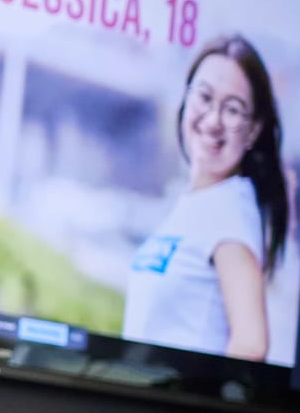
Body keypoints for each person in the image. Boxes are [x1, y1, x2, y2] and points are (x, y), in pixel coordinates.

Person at [122, 34, 289, 362]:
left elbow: (251, 346)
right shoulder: (200, 202)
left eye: (232, 109)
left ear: (253, 130)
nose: (213, 120)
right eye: (204, 97)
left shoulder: (230, 211)